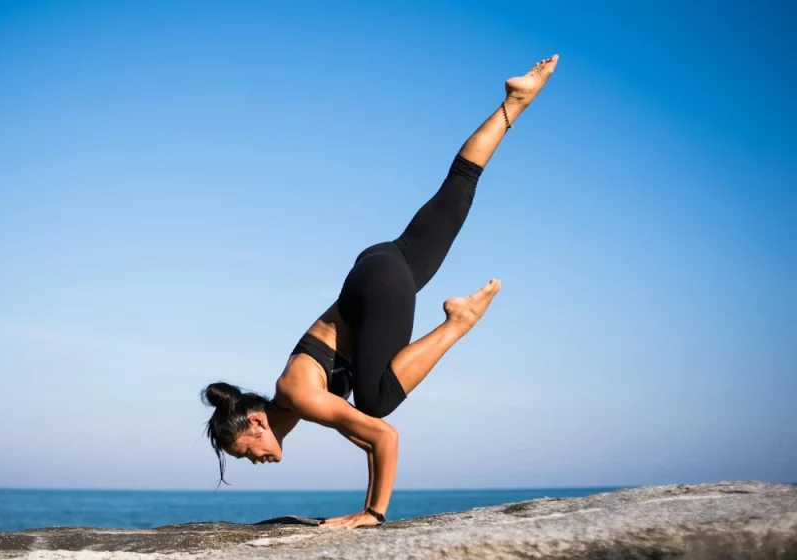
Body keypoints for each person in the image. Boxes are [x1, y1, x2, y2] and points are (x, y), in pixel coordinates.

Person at [201, 55, 559, 529]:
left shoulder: (298, 395)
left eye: (246, 453)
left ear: (256, 424)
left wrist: (372, 512)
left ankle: (458, 321)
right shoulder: (292, 403)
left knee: (375, 402)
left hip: (380, 287)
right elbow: (363, 439)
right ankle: (516, 101)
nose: (253, 461)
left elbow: (382, 435)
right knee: (458, 190)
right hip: (380, 266)